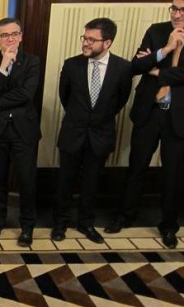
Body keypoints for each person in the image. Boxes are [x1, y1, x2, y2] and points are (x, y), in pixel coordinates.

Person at [107, 0, 184, 249]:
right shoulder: (156, 31)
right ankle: (124, 216)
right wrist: (166, 49)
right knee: (136, 166)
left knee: (173, 173)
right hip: (149, 110)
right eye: (173, 8)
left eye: (182, 10)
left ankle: (169, 225)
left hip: (178, 115)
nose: (176, 14)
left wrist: (155, 69)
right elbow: (136, 65)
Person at [52, 18, 132, 244]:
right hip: (73, 133)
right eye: (84, 38)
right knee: (65, 181)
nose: (85, 43)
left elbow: (120, 100)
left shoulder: (123, 68)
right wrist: (81, 118)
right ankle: (60, 223)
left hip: (100, 135)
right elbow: (65, 97)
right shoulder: (71, 65)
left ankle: (86, 223)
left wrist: (96, 119)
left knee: (91, 182)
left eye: (91, 39)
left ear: (107, 42)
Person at [0, 18, 40, 247]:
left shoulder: (32, 62)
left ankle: (27, 226)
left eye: (14, 34)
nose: (10, 39)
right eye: (5, 35)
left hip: (24, 131)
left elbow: (27, 94)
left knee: (27, 180)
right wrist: (3, 67)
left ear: (21, 36)